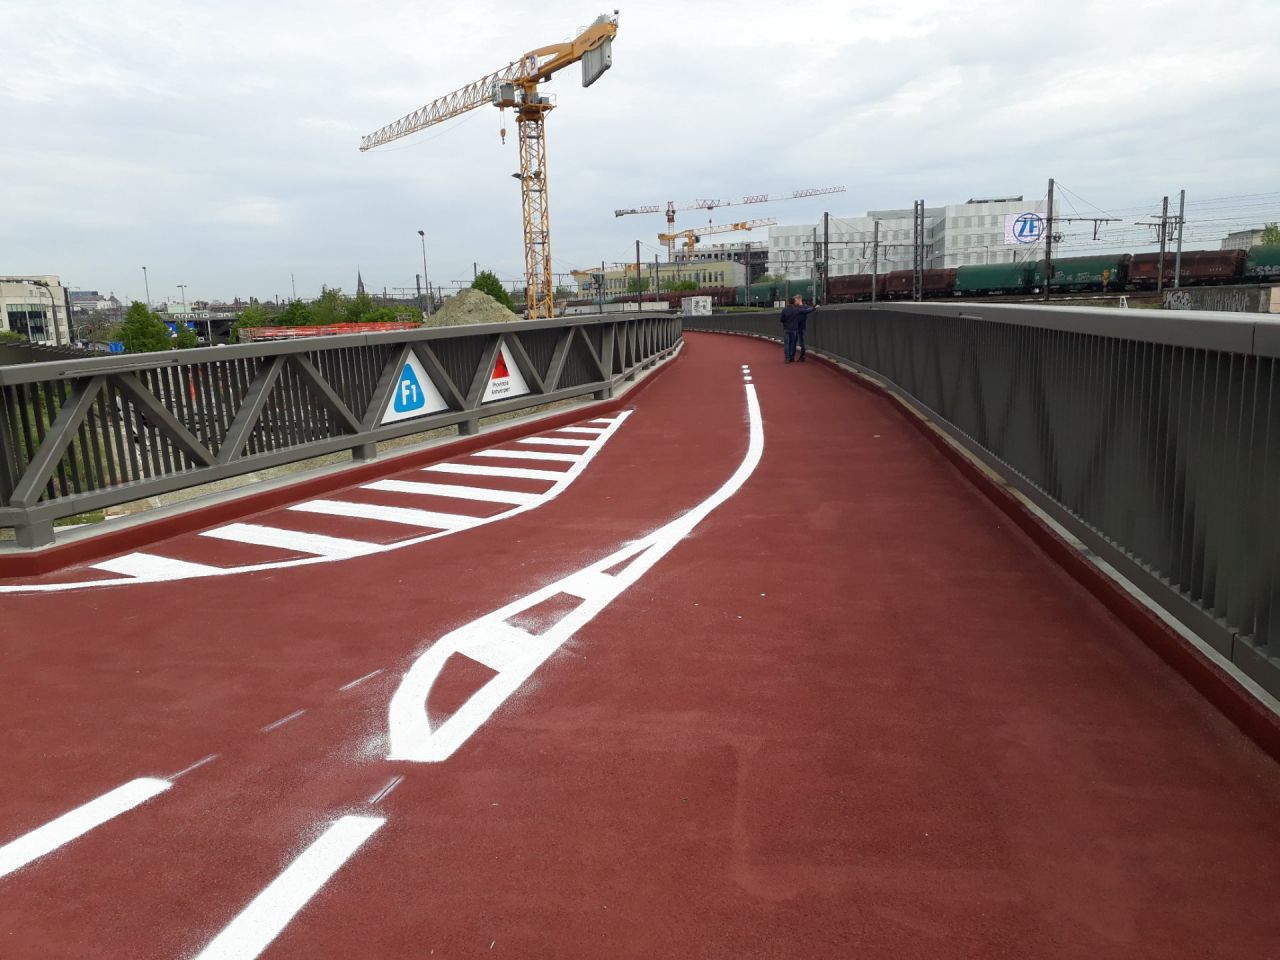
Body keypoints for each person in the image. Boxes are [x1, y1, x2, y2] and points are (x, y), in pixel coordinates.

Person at [779, 294, 816, 362]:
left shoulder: (787, 309)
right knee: (793, 343)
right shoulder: (797, 309)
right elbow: (806, 311)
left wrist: (785, 323)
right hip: (795, 328)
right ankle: (792, 357)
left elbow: (782, 319)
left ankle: (789, 357)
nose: (795, 302)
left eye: (796, 300)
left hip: (792, 328)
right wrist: (814, 308)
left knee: (790, 343)